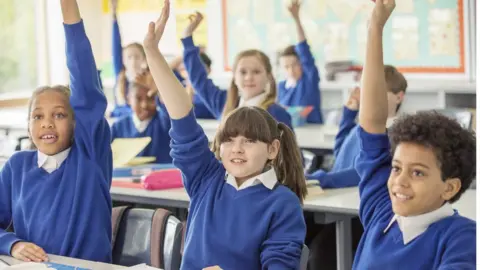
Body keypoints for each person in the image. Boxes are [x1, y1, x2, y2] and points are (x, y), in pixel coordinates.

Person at [142, 2, 307, 268]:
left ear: (273, 149)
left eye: (250, 141)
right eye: (229, 140)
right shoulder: (207, 178)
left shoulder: (282, 203)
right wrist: (152, 52)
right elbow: (182, 118)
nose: (237, 148)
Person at [0, 0, 112, 262]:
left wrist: (69, 12)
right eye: (37, 116)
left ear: (76, 123)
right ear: (28, 125)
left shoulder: (89, 158)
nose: (47, 123)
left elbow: (85, 85)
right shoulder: (17, 166)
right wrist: (12, 244)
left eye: (59, 115)